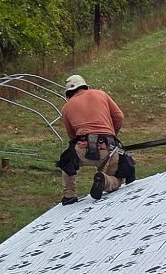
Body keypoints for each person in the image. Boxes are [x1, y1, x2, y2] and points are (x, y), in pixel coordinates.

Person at [56, 74, 131, 204]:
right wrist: (112, 135)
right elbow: (119, 117)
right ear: (85, 86)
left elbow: (72, 136)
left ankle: (69, 195)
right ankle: (105, 180)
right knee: (116, 178)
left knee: (67, 161)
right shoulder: (101, 94)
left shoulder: (66, 107)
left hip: (83, 149)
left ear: (68, 93)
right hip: (109, 149)